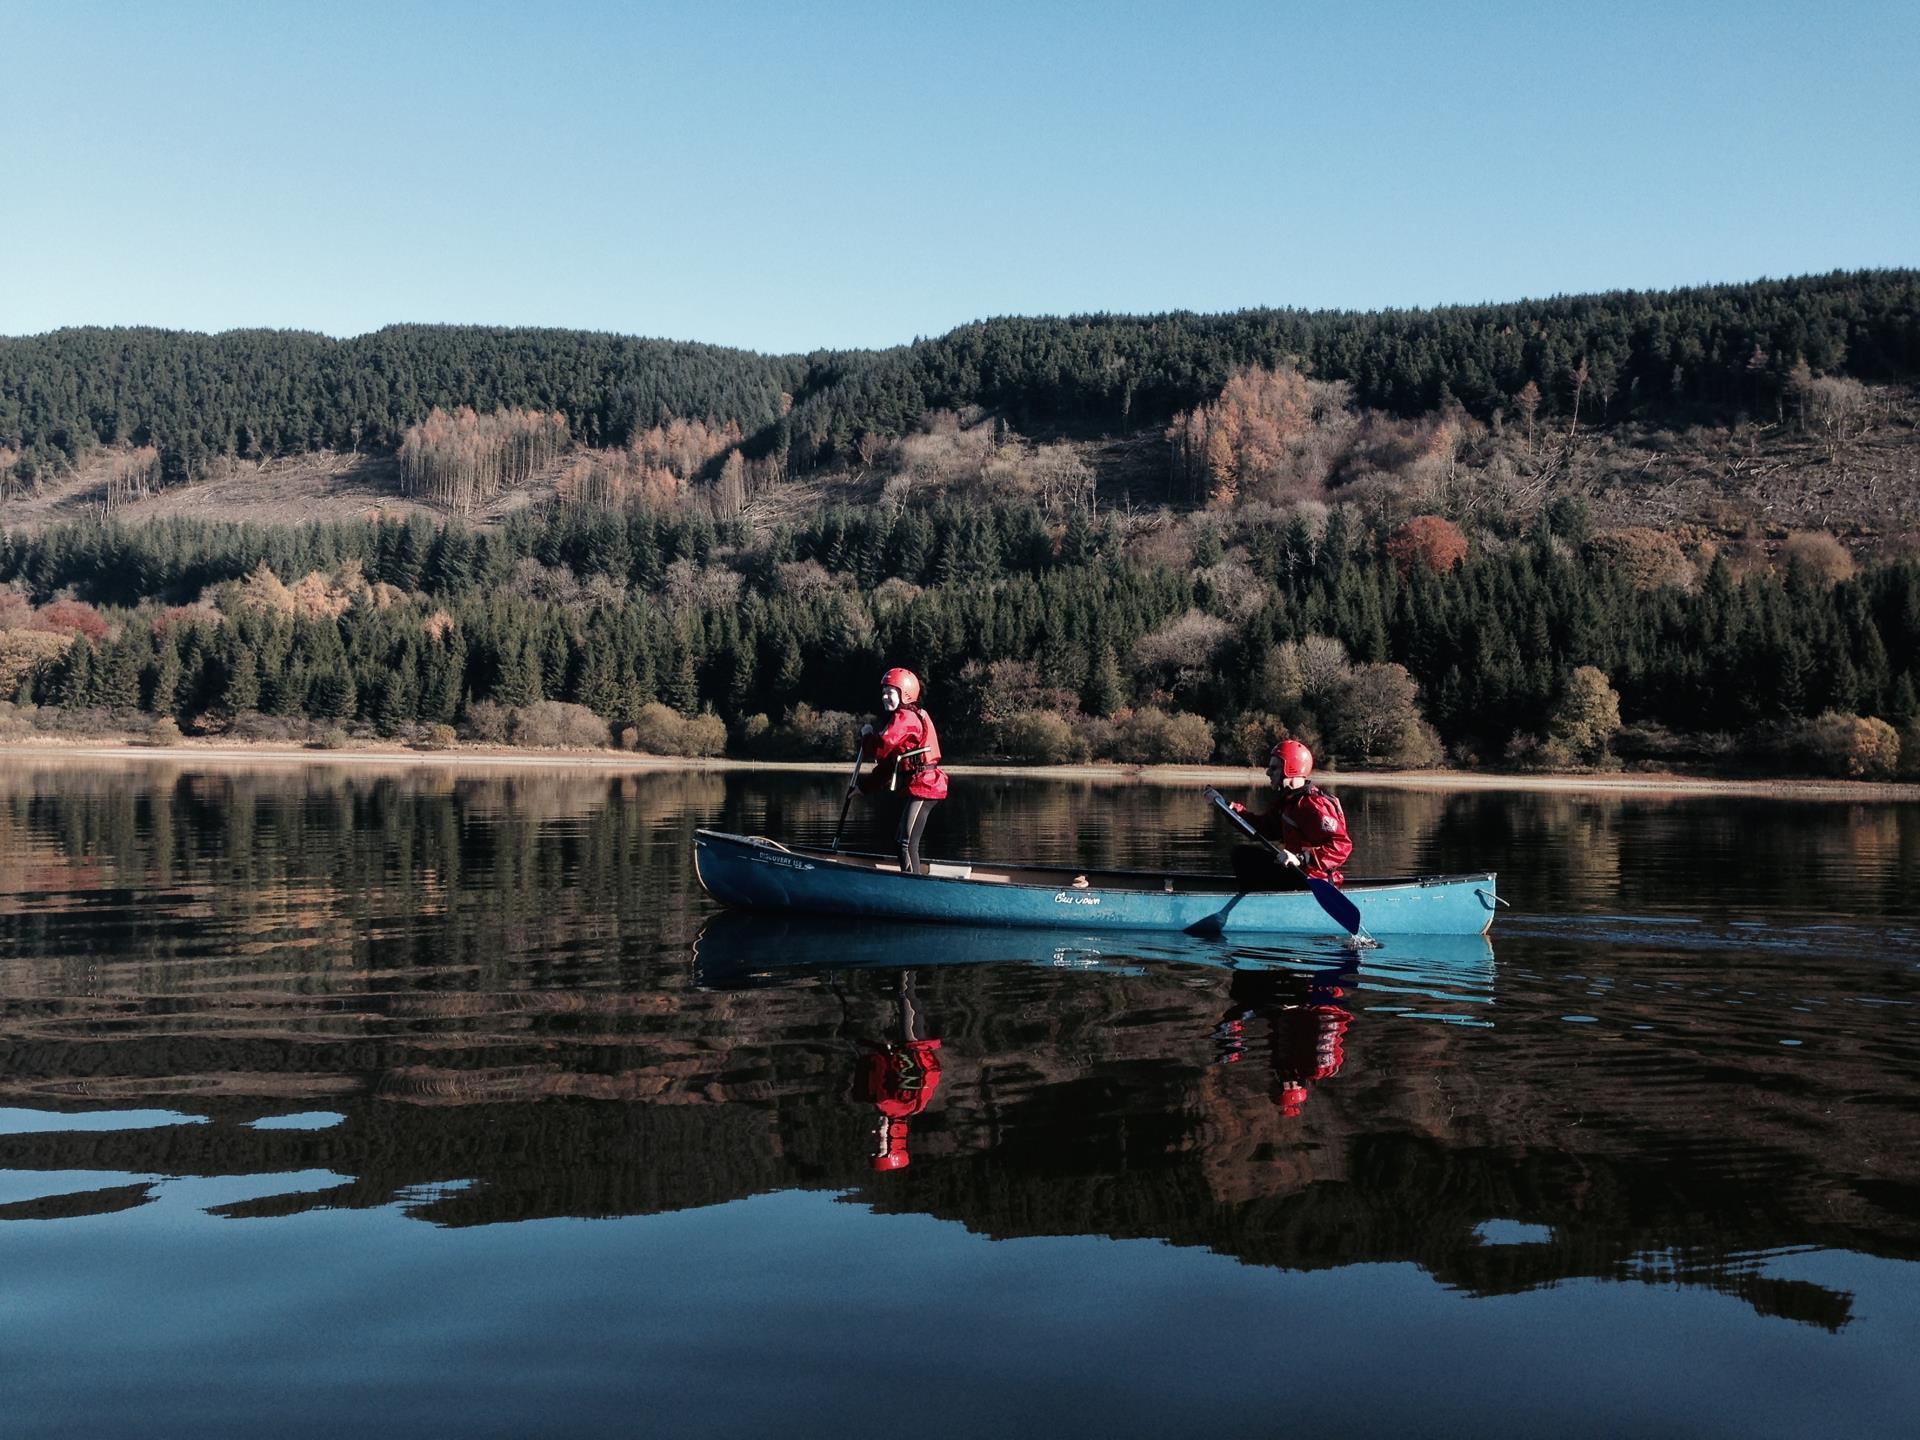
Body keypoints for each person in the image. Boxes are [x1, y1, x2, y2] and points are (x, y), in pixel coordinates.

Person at [850, 666, 948, 876]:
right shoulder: (902, 719)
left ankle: (913, 886)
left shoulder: (906, 717)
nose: (885, 696)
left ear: (905, 694)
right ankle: (912, 880)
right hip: (920, 785)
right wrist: (863, 787)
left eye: (890, 692)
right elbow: (888, 765)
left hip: (926, 785)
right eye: (883, 692)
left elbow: (881, 746)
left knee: (905, 842)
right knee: (902, 840)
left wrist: (867, 736)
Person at [1228, 739, 1352, 889]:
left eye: (1274, 768)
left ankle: (1255, 903)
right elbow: (1262, 828)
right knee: (1243, 855)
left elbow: (1341, 846)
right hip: (1296, 873)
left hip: (1314, 880)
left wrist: (1301, 858)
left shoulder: (1312, 806)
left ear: (1290, 769)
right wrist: (1230, 809)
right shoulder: (1288, 803)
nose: (1268, 773)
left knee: (1243, 857)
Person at [856, 973, 944, 1171]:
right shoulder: (890, 1105)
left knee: (905, 993)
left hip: (913, 1045)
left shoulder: (905, 1107)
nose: (873, 1132)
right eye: (879, 1143)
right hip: (913, 1043)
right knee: (905, 991)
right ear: (894, 1136)